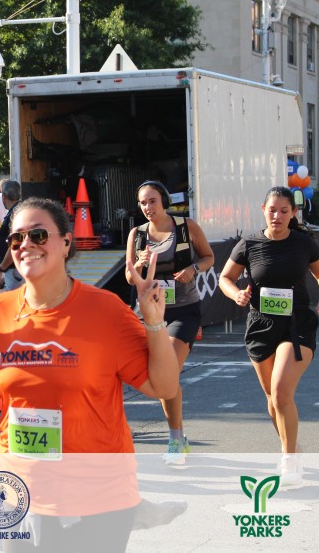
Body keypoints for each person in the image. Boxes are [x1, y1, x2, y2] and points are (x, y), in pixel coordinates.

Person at [0, 197, 178, 551]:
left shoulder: (105, 311)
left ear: (66, 242)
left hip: (98, 495)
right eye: (16, 238)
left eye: (38, 235)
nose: (25, 244)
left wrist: (154, 322)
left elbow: (164, 385)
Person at [218, 186, 319, 485]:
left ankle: (289, 459)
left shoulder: (303, 242)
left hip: (297, 324)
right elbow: (225, 278)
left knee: (281, 391)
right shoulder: (249, 243)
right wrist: (235, 295)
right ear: (263, 209)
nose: (277, 216)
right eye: (272, 210)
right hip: (261, 325)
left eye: (284, 211)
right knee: (272, 397)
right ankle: (291, 447)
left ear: (293, 213)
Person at [125, 180, 214, 466]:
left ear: (164, 201)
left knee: (168, 372)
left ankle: (176, 439)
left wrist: (193, 268)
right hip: (150, 313)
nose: (147, 207)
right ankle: (177, 437)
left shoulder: (186, 227)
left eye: (152, 201)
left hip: (183, 311)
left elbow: (209, 257)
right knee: (157, 376)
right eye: (142, 203)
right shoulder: (137, 234)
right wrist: (139, 265)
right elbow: (129, 278)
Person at [0, 180, 24, 291]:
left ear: (4, 197)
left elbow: (15, 245)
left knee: (15, 300)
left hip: (15, 269)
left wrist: (0, 270)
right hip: (14, 268)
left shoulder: (15, 213)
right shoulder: (19, 210)